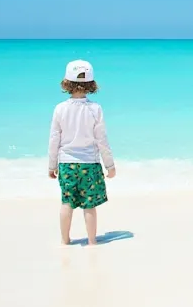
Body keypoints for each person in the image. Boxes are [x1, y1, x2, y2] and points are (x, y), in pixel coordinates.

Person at [48, 59, 116, 246]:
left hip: (66, 164)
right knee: (90, 205)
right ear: (91, 84)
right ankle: (92, 241)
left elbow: (54, 140)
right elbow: (102, 140)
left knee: (66, 203)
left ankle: (64, 240)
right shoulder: (95, 109)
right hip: (90, 164)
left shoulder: (60, 109)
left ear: (66, 83)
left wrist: (51, 165)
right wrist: (109, 165)